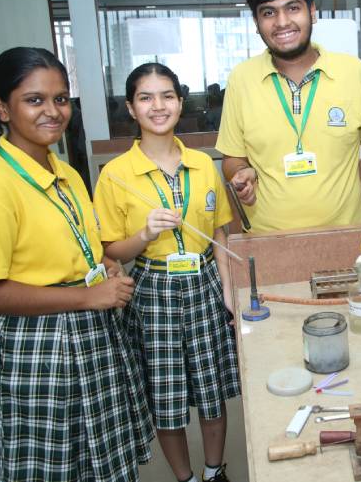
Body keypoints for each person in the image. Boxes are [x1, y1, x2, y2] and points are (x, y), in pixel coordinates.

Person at [0, 47, 154, 482]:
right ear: (1, 107)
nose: (53, 111)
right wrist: (85, 296)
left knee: (97, 459)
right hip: (39, 345)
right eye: (35, 100)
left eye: (61, 99)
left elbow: (82, 247)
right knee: (53, 464)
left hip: (88, 326)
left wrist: (102, 265)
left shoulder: (65, 171)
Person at [93, 63, 240, 482]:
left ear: (180, 101)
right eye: (146, 97)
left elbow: (219, 235)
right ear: (131, 108)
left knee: (212, 394)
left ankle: (214, 471)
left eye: (167, 96)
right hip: (153, 289)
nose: (158, 106)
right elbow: (110, 251)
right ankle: (186, 478)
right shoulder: (117, 175)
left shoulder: (202, 164)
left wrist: (228, 291)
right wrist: (143, 233)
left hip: (205, 281)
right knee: (167, 395)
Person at [216, 0, 361, 233]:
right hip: (268, 241)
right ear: (257, 24)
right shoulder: (241, 79)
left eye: (293, 7)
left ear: (312, 12)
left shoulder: (353, 72)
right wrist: (241, 173)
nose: (282, 22)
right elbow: (232, 157)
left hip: (346, 235)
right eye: (269, 12)